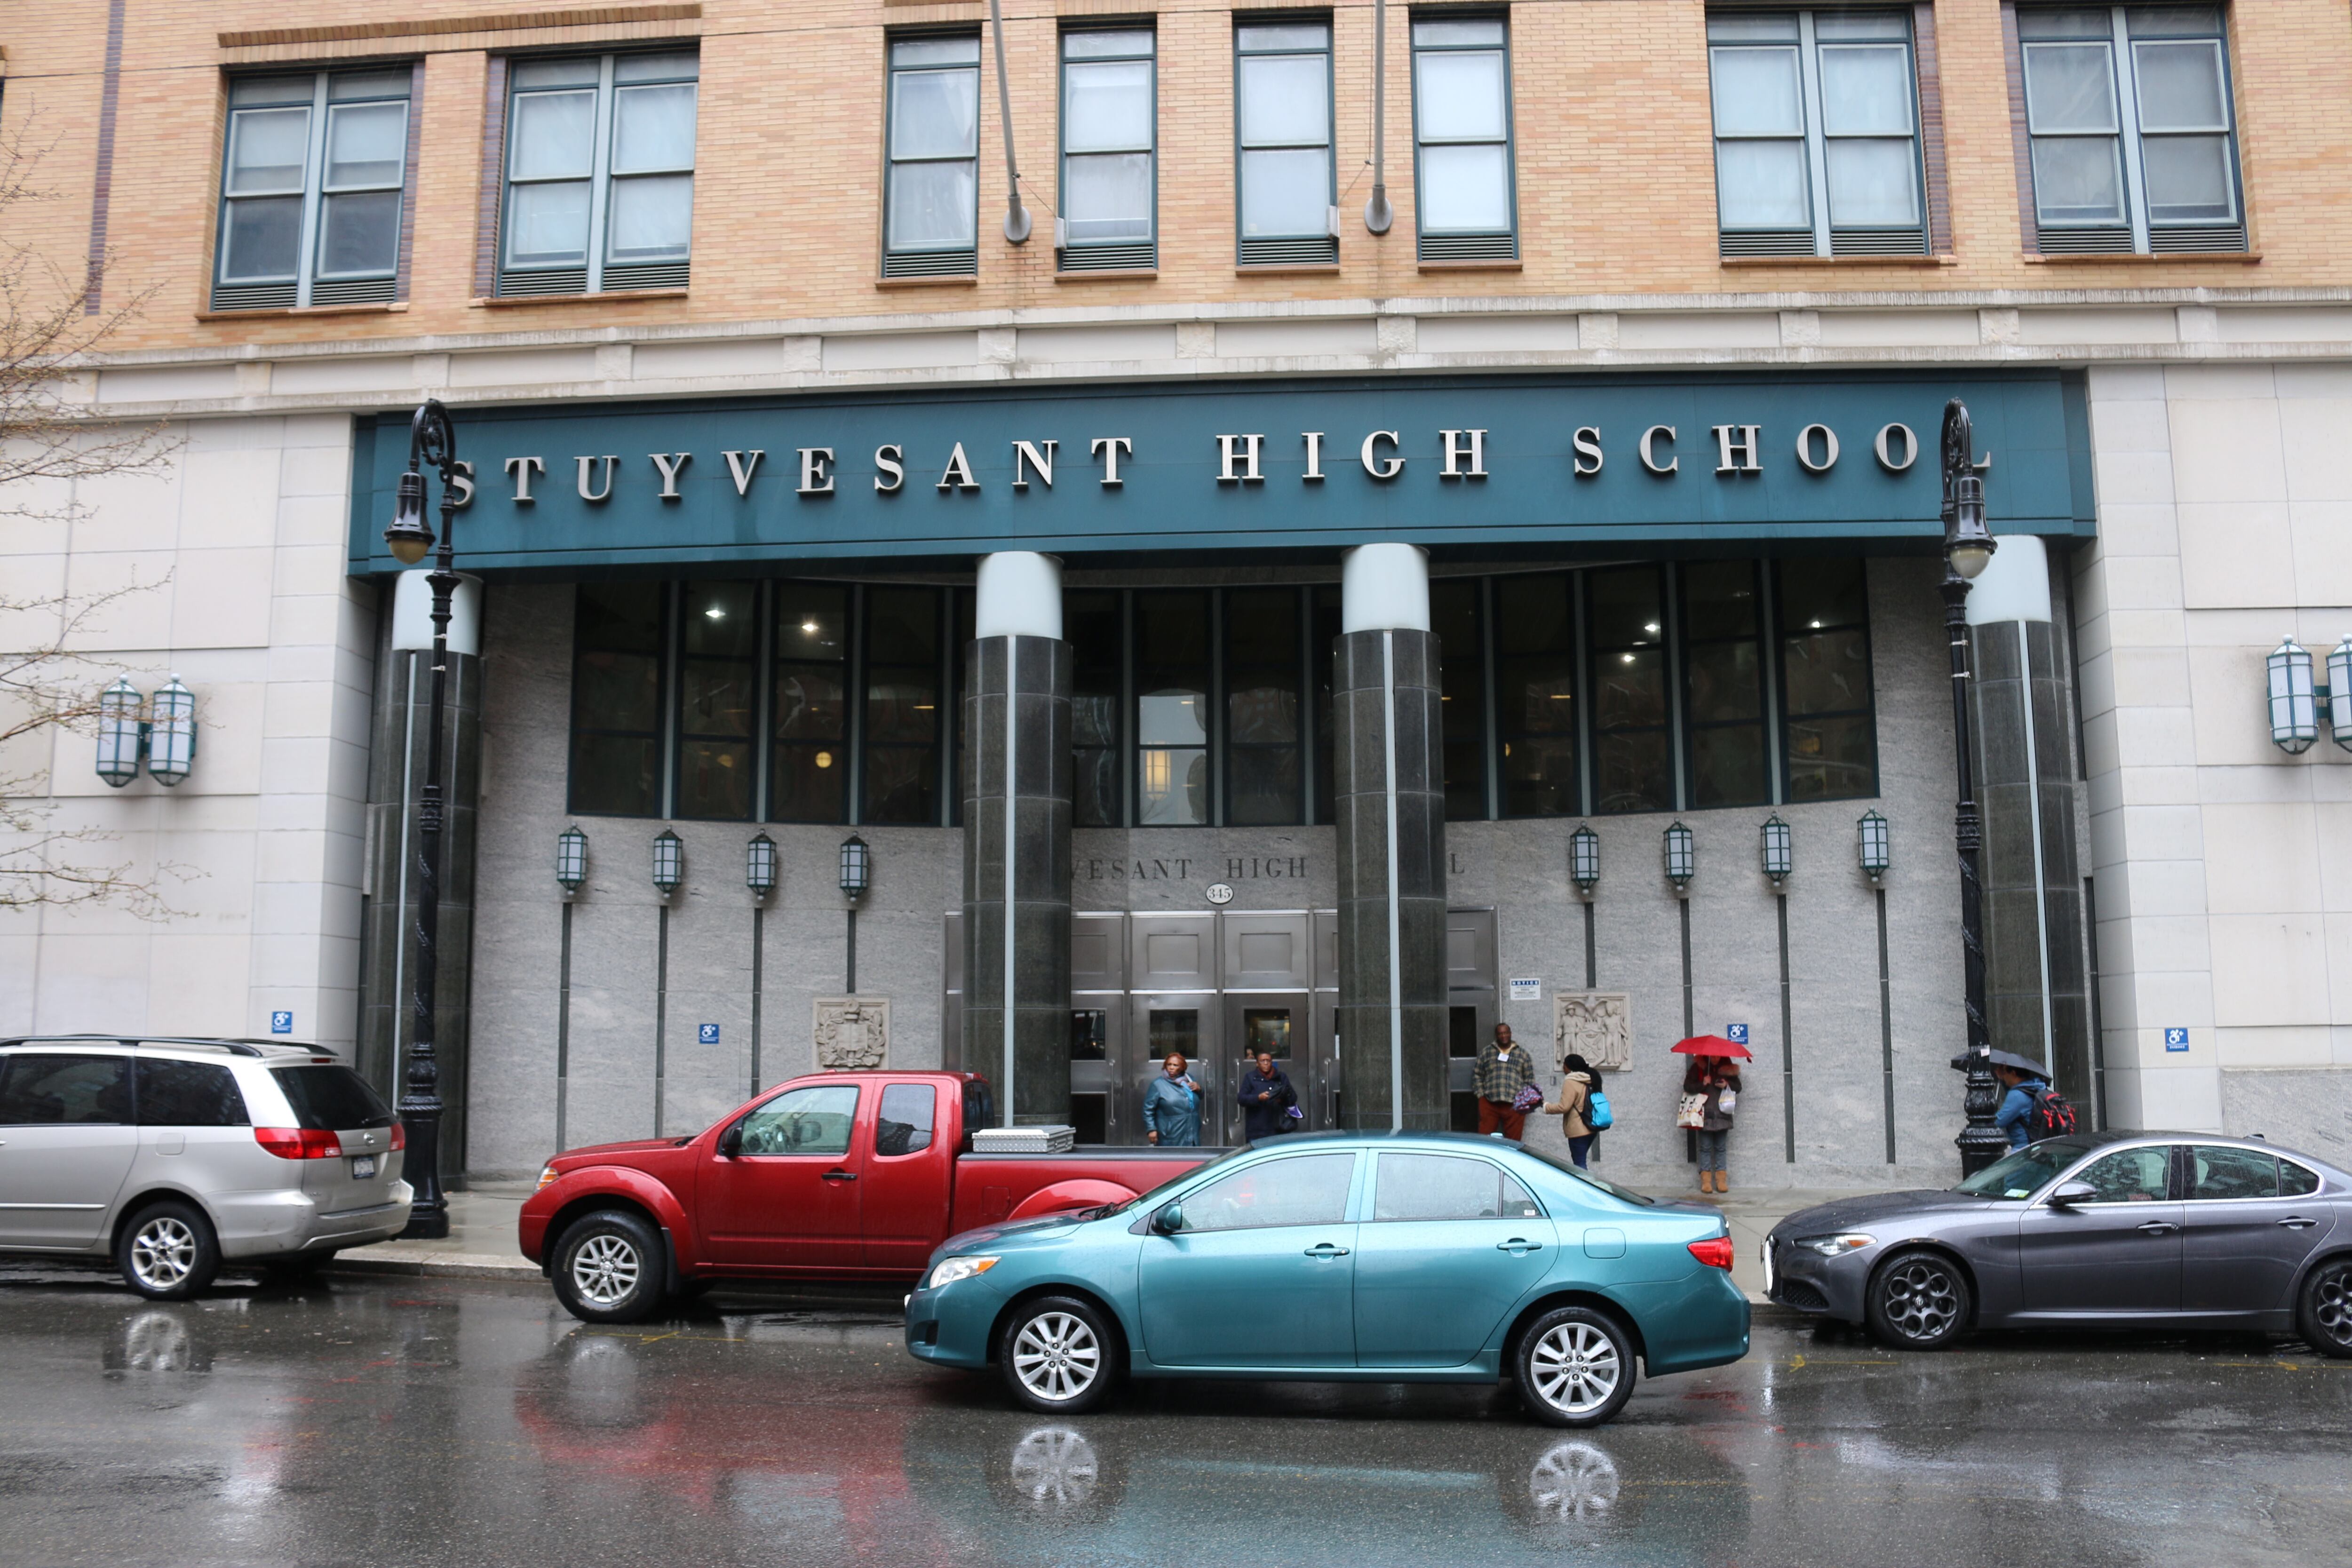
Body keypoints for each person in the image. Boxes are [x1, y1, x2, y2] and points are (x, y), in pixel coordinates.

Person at [1684, 1054, 1740, 1194]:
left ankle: (1721, 1182)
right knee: (1705, 1148)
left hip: (1723, 1115)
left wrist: (1727, 1085)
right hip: (1704, 1115)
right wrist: (1703, 1083)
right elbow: (1687, 1087)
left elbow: (1738, 1087)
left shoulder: (1728, 1069)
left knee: (1721, 1148)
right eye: (1713, 1057)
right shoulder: (1698, 1068)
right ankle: (1706, 1182)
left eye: (1718, 1057)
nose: (1715, 1059)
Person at [1475, 1022, 1537, 1139]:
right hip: (1490, 1102)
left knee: (1513, 1141)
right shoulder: (1487, 1053)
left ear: (1510, 1034)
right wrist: (1481, 1095)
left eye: (1506, 1033)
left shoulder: (1522, 1054)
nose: (1503, 1036)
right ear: (1497, 1036)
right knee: (1484, 1138)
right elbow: (1478, 1074)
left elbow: (1529, 1080)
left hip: (1514, 1104)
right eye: (1500, 1034)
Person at [1546, 1053, 1603, 1169]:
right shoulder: (1591, 1078)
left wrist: (1546, 1107)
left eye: (1565, 1065)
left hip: (1578, 1129)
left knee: (1579, 1163)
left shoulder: (1571, 1081)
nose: (1563, 1068)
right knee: (1580, 1160)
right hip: (1591, 1126)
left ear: (1570, 1067)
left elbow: (1564, 1107)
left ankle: (1585, 1186)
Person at [1142, 1053, 1200, 1146]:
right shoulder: (1158, 1085)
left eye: (1175, 1065)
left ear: (1182, 1067)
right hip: (1171, 1133)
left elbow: (1197, 1100)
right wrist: (1151, 1129)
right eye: (1169, 1065)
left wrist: (1199, 1089)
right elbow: (1148, 1110)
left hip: (1191, 1132)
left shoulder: (1189, 1080)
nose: (1171, 1068)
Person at [1237, 1051, 1296, 1141]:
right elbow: (1241, 1099)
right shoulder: (1250, 1078)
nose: (1266, 1063)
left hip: (1279, 1128)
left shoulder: (1281, 1077)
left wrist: (1282, 1099)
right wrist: (1258, 1098)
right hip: (1257, 1130)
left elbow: (1293, 1098)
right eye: (1263, 1061)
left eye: (1268, 1061)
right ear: (1257, 1064)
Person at [1994, 1062, 2049, 1151]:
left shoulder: (2017, 1096)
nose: (2003, 1076)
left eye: (2005, 1073)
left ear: (2013, 1073)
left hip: (2023, 1149)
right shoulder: (2032, 1088)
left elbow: (1998, 1121)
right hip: (2036, 1146)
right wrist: (2002, 1080)